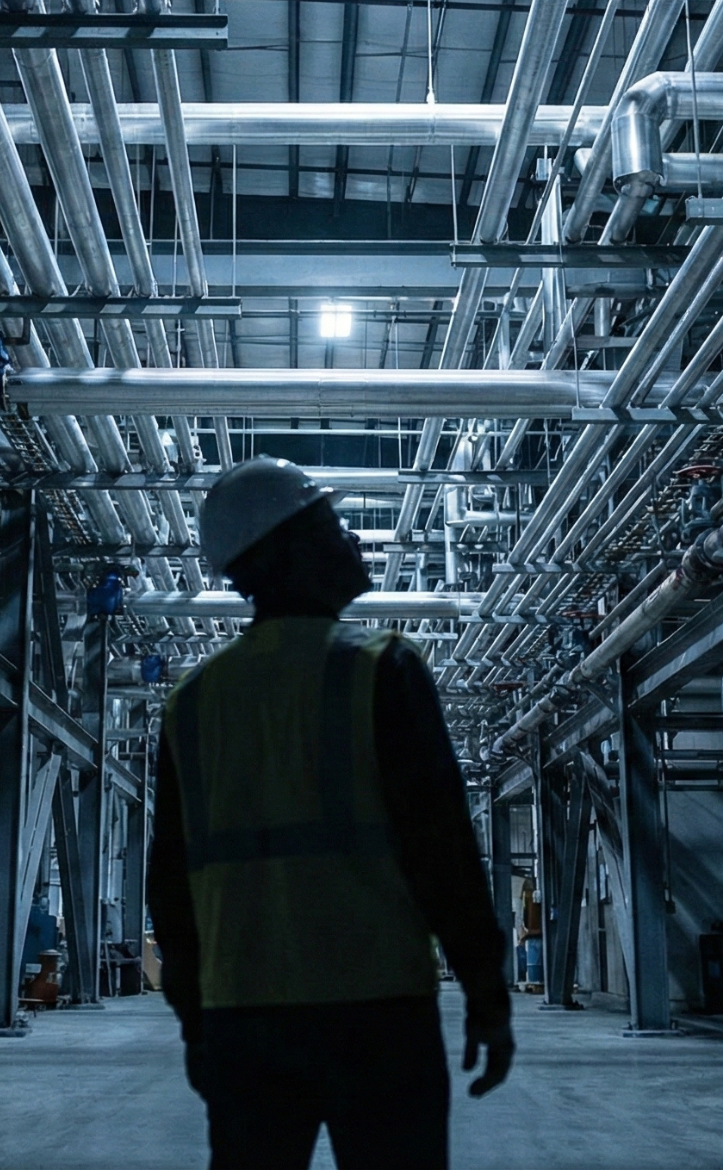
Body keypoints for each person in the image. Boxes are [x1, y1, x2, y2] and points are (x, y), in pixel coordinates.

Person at [147, 457, 514, 1170]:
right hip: (375, 1011)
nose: (353, 542)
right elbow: (442, 853)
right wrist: (484, 989)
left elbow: (170, 882)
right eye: (330, 527)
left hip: (243, 1016)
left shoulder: (192, 703)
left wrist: (197, 1021)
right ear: (285, 552)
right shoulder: (381, 671)